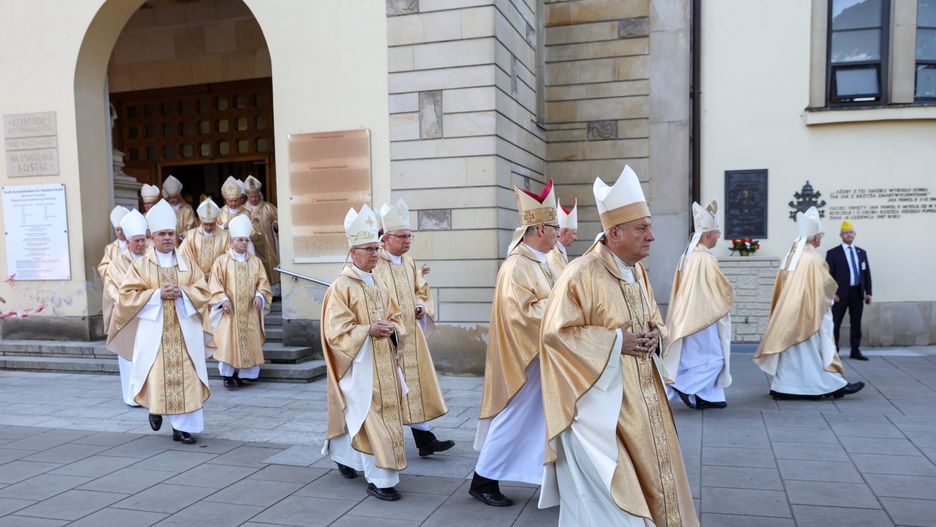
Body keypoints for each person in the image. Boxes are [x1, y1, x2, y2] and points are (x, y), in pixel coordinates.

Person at [538, 166, 698, 527]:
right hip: (598, 413)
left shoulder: (636, 270)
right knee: (611, 505)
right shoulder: (580, 272)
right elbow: (555, 335)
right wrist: (614, 342)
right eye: (642, 228)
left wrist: (657, 335)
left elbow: (653, 319)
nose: (652, 236)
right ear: (615, 232)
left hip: (642, 401)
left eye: (649, 226)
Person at [470, 180, 559, 507]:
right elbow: (520, 313)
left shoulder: (540, 262)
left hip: (541, 355)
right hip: (523, 358)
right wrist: (562, 308)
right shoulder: (516, 265)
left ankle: (542, 475)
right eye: (554, 227)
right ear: (538, 229)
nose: (558, 233)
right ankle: (483, 480)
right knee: (514, 417)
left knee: (533, 419)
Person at [106, 199, 212, 445]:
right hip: (154, 332)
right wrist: (157, 294)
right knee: (157, 375)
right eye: (162, 234)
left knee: (188, 376)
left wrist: (184, 293)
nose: (167, 238)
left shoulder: (188, 264)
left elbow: (204, 290)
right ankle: (155, 408)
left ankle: (183, 428)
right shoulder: (141, 265)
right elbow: (126, 296)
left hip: (185, 331)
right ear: (152, 236)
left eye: (170, 233)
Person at [321, 204, 407, 502]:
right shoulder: (340, 286)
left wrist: (393, 330)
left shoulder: (379, 282)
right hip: (359, 365)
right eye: (369, 249)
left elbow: (397, 317)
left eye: (376, 248)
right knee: (370, 417)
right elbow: (336, 331)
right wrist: (367, 330)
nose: (375, 254)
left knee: (367, 416)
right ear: (352, 251)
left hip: (384, 361)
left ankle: (344, 455)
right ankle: (381, 479)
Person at [753, 207, 865, 400]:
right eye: (820, 235)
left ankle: (784, 387)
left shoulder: (792, 255)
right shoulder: (813, 258)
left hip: (789, 312)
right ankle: (831, 385)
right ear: (815, 238)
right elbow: (823, 286)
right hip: (808, 314)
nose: (821, 239)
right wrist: (830, 296)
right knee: (813, 352)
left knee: (792, 354)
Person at [374, 199, 453, 457]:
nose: (408, 241)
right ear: (386, 238)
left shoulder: (408, 262)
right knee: (390, 391)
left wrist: (420, 305)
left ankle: (425, 439)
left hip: (411, 335)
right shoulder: (374, 264)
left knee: (416, 385)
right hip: (387, 339)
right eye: (402, 236)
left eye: (410, 236)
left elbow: (420, 290)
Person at [663, 200, 734, 410]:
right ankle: (685, 387)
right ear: (708, 235)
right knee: (714, 358)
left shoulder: (688, 256)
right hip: (704, 320)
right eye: (717, 233)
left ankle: (708, 397)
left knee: (694, 358)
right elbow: (721, 290)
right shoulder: (705, 259)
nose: (719, 237)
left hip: (686, 318)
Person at [208, 215, 272, 388]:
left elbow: (263, 282)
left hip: (250, 310)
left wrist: (259, 295)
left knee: (249, 339)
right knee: (228, 341)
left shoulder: (256, 262)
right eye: (240, 240)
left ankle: (247, 374)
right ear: (232, 241)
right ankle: (227, 376)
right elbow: (214, 283)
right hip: (230, 311)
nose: (244, 243)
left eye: (246, 240)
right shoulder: (222, 261)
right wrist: (222, 299)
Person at [103, 209, 148, 407]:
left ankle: (147, 393)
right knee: (128, 357)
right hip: (126, 317)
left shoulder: (152, 258)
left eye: (142, 240)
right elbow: (114, 288)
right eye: (136, 241)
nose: (140, 244)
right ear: (128, 242)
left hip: (148, 315)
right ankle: (132, 395)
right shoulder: (117, 263)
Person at [826, 220, 872, 361]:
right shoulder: (833, 253)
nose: (848, 235)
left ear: (854, 234)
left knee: (856, 323)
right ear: (841, 235)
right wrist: (831, 293)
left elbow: (866, 273)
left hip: (857, 293)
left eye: (851, 232)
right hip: (840, 294)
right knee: (835, 323)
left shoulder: (861, 252)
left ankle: (855, 350)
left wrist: (868, 292)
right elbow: (828, 275)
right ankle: (834, 351)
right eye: (845, 233)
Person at [243, 175, 279, 285]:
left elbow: (278, 220)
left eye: (256, 196)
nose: (254, 199)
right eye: (251, 197)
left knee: (270, 265)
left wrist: (275, 225)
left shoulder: (268, 207)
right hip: (251, 245)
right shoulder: (243, 210)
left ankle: (273, 289)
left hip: (268, 244)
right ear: (247, 196)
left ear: (259, 194)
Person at [99, 206, 130, 330]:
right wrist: (113, 269)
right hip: (115, 284)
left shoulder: (133, 243)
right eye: (117, 230)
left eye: (122, 229)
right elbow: (103, 266)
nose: (120, 232)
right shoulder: (110, 248)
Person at [546, 198, 577, 275]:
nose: (576, 238)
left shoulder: (560, 249)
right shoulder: (552, 253)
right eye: (573, 233)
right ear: (564, 232)